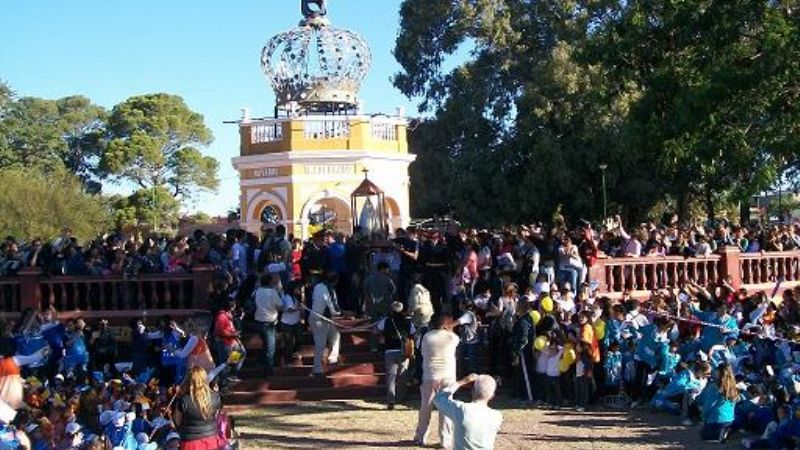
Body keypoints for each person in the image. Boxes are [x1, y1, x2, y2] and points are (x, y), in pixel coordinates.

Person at [414, 314, 459, 448]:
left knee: (425, 407)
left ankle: (420, 436)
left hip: (430, 374)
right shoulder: (452, 337)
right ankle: (445, 440)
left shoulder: (426, 336)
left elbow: (420, 351)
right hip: (448, 375)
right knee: (446, 409)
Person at [433, 373, 503, 450]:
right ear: (492, 396)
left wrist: (462, 382)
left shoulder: (461, 409)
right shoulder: (497, 417)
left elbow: (438, 399)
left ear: (472, 391)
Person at [173, 366, 226, 450]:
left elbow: (177, 420)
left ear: (188, 380)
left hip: (190, 441)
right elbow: (216, 417)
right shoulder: (215, 397)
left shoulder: (184, 400)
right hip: (211, 439)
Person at [378, 301, 413, 409]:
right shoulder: (407, 322)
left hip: (389, 350)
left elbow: (377, 330)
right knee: (402, 375)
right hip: (403, 351)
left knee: (390, 376)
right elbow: (413, 332)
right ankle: (401, 397)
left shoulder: (386, 321)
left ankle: (390, 400)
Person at [309, 272, 342, 376]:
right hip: (320, 319)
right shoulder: (329, 290)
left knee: (336, 335)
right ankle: (317, 368)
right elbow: (333, 309)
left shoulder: (318, 286)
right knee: (320, 344)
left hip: (321, 317)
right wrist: (342, 312)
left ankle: (333, 358)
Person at [253, 273, 284, 376]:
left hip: (258, 321)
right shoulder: (272, 292)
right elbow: (280, 306)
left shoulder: (258, 291)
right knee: (271, 348)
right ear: (270, 282)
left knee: (266, 345)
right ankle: (269, 370)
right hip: (269, 323)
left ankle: (260, 361)